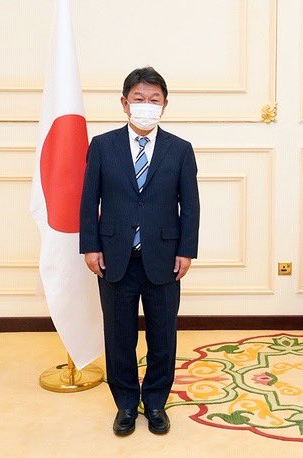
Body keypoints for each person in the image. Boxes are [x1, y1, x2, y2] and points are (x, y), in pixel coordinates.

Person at [79, 67, 200, 436]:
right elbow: (89, 200)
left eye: (154, 100)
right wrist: (90, 245)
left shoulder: (180, 149)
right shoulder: (102, 145)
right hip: (114, 257)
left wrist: (186, 251)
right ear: (124, 103)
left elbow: (190, 206)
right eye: (138, 99)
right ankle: (127, 404)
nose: (146, 106)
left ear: (165, 105)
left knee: (163, 336)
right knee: (119, 336)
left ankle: (157, 402)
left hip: (164, 258)